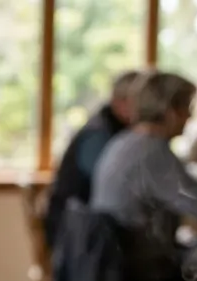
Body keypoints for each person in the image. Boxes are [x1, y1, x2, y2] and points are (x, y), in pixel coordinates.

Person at [87, 72, 197, 281]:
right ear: (168, 110)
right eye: (187, 107)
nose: (190, 116)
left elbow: (186, 189)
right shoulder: (153, 150)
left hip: (117, 271)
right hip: (144, 278)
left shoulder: (126, 141)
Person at [44, 70, 143, 248]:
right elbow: (109, 186)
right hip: (76, 236)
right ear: (121, 102)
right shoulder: (98, 135)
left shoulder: (110, 128)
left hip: (85, 229)